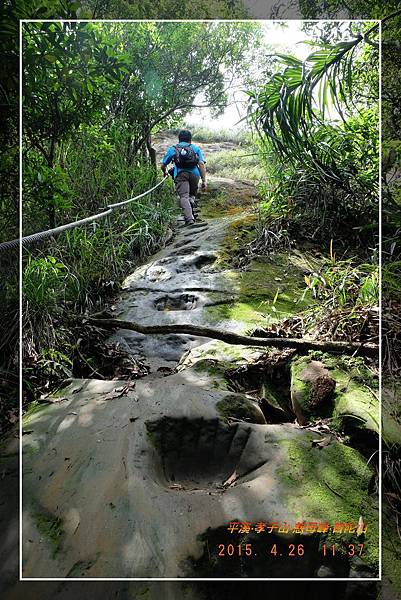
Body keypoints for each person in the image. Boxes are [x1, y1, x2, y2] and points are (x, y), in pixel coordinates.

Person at [161, 129, 207, 225]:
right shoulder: (195, 148)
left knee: (184, 196)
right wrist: (204, 181)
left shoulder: (174, 148)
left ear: (179, 139)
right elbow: (201, 164)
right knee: (191, 195)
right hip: (195, 174)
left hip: (181, 174)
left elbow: (163, 164)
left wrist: (165, 172)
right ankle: (191, 203)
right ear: (190, 140)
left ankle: (189, 219)